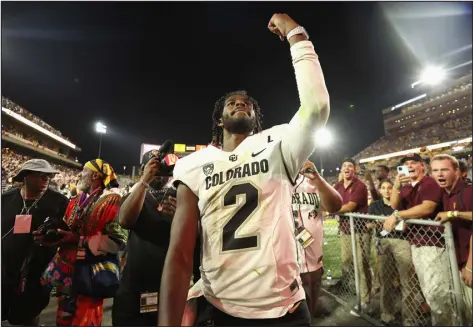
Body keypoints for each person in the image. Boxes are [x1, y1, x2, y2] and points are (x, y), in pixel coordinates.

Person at [159, 13, 330, 326]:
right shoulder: (192, 164)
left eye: (248, 103)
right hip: (220, 307)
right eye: (233, 103)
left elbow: (317, 107)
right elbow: (180, 254)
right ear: (220, 120)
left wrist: (296, 34)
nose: (242, 104)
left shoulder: (279, 143)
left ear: (256, 118)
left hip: (285, 309)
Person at [112, 150, 199, 326]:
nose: (161, 172)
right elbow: (125, 220)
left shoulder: (182, 198)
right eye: (155, 168)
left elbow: (199, 237)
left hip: (171, 289)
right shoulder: (137, 195)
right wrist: (145, 181)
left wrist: (182, 219)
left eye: (166, 168)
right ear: (144, 169)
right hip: (134, 286)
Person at [39, 159, 128, 326]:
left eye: (84, 171)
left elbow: (118, 241)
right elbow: (68, 230)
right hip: (67, 277)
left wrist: (80, 240)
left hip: (90, 277)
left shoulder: (112, 201)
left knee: (85, 321)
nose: (80, 174)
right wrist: (52, 236)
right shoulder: (78, 199)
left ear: (95, 175)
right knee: (63, 320)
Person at [384, 153, 451, 326]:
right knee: (429, 290)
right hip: (416, 241)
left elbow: (427, 208)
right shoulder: (406, 187)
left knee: (437, 291)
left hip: (433, 241)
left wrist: (398, 215)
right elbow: (393, 205)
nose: (410, 166)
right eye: (406, 164)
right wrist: (397, 185)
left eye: (414, 162)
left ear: (423, 166)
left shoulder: (429, 182)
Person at [2, 159, 69, 326]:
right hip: (5, 268)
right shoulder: (6, 199)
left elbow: (69, 233)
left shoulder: (59, 201)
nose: (47, 178)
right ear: (25, 176)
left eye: (49, 175)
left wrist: (54, 238)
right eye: (41, 175)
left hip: (38, 270)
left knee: (29, 314)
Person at [293, 161, 342, 317]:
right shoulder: (279, 182)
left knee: (312, 296)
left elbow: (335, 206)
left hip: (314, 256)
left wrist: (318, 180)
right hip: (288, 258)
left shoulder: (314, 181)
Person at [430, 154, 472, 325]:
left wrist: (470, 266)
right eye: (435, 170)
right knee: (465, 310)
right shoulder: (444, 194)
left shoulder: (468, 191)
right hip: (459, 260)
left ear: (456, 171)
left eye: (444, 170)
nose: (439, 174)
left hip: (469, 262)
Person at [369, 180, 417, 326]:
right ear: (380, 190)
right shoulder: (375, 205)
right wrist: (385, 225)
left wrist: (385, 224)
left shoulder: (402, 202)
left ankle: (409, 318)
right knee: (385, 280)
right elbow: (370, 224)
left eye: (390, 187)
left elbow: (404, 226)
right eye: (383, 188)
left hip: (402, 242)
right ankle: (386, 314)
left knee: (407, 281)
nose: (387, 190)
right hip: (383, 242)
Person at [333, 158, 371, 314]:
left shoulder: (360, 185)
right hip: (345, 230)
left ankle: (365, 300)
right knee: (347, 261)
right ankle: (358, 291)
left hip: (360, 230)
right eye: (344, 166)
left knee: (361, 265)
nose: (347, 168)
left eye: (350, 166)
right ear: (341, 170)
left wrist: (330, 211)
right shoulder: (338, 186)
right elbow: (331, 200)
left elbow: (350, 207)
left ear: (354, 169)